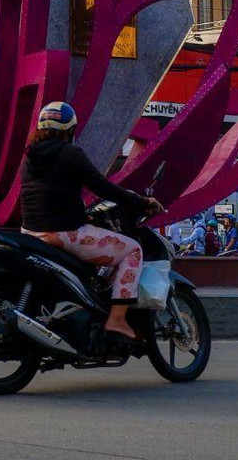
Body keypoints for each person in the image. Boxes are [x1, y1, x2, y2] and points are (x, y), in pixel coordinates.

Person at [18, 101, 160, 340]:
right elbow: (102, 187)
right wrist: (142, 203)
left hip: (31, 234)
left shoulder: (30, 156)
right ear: (70, 130)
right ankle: (116, 319)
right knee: (132, 251)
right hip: (64, 234)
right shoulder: (70, 153)